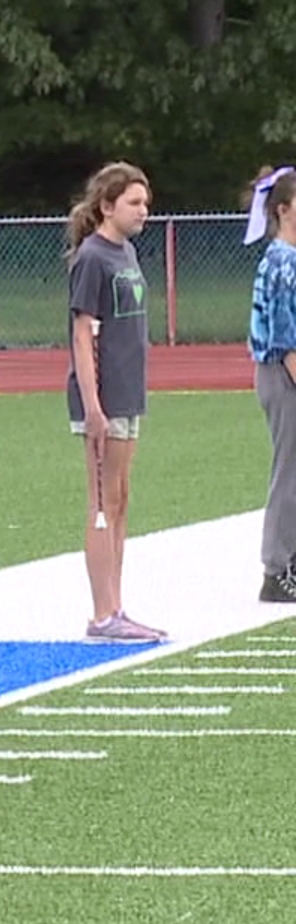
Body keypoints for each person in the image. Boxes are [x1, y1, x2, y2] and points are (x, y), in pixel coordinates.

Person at [64, 162, 163, 640]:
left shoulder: (126, 252)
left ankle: (117, 604)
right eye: (134, 203)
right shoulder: (93, 257)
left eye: (145, 203)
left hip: (128, 392)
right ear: (107, 206)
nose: (143, 211)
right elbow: (82, 336)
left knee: (121, 499)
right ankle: (103, 612)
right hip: (103, 396)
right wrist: (93, 406)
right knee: (102, 500)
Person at [246, 165, 296, 603]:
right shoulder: (284, 261)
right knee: (290, 471)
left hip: (283, 370)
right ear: (283, 209)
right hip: (284, 373)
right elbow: (285, 335)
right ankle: (277, 569)